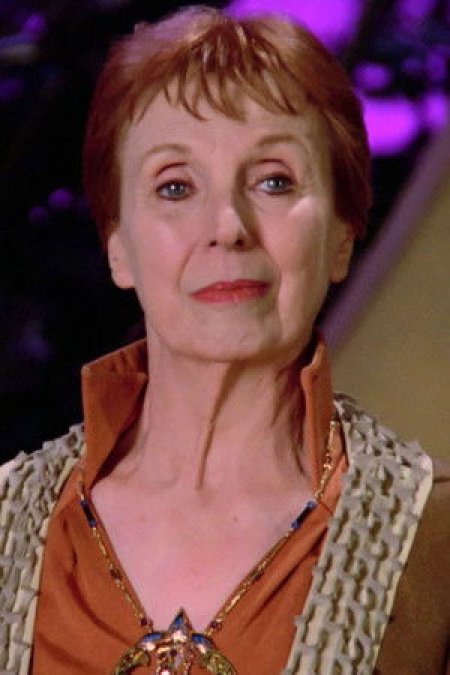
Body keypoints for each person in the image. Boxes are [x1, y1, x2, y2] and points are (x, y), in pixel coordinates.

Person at [0, 6, 449, 675]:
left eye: (274, 180)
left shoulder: (431, 538)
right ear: (118, 246)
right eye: (175, 186)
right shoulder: (10, 526)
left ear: (341, 235)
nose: (227, 226)